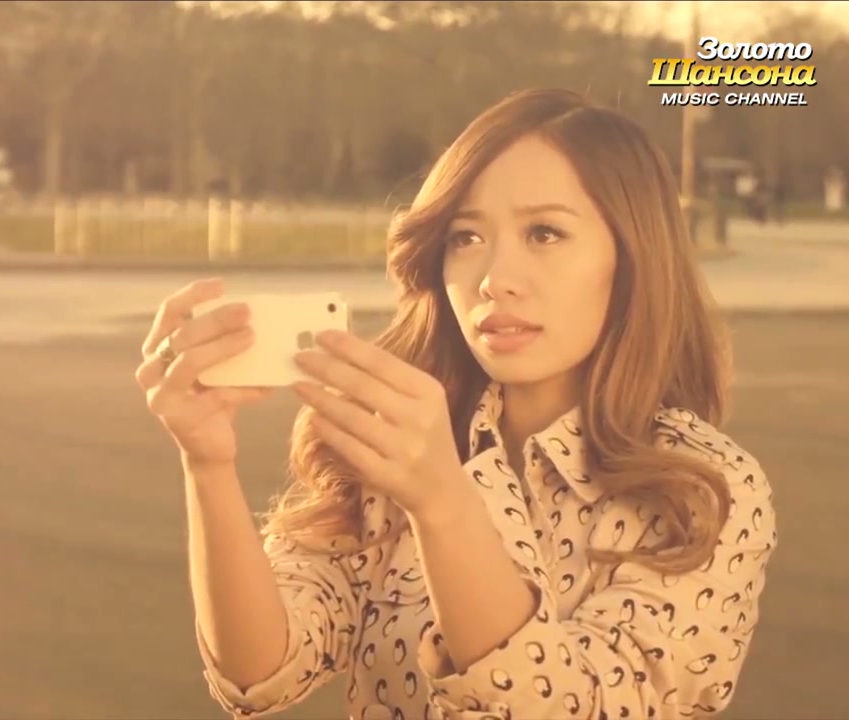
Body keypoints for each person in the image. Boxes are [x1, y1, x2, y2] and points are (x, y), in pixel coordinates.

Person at [134, 88, 776, 720]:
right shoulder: (400, 444)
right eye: (466, 238)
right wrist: (208, 465)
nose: (494, 279)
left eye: (545, 233)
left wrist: (442, 504)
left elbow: (587, 707)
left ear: (632, 256)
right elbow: (259, 674)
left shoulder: (708, 488)